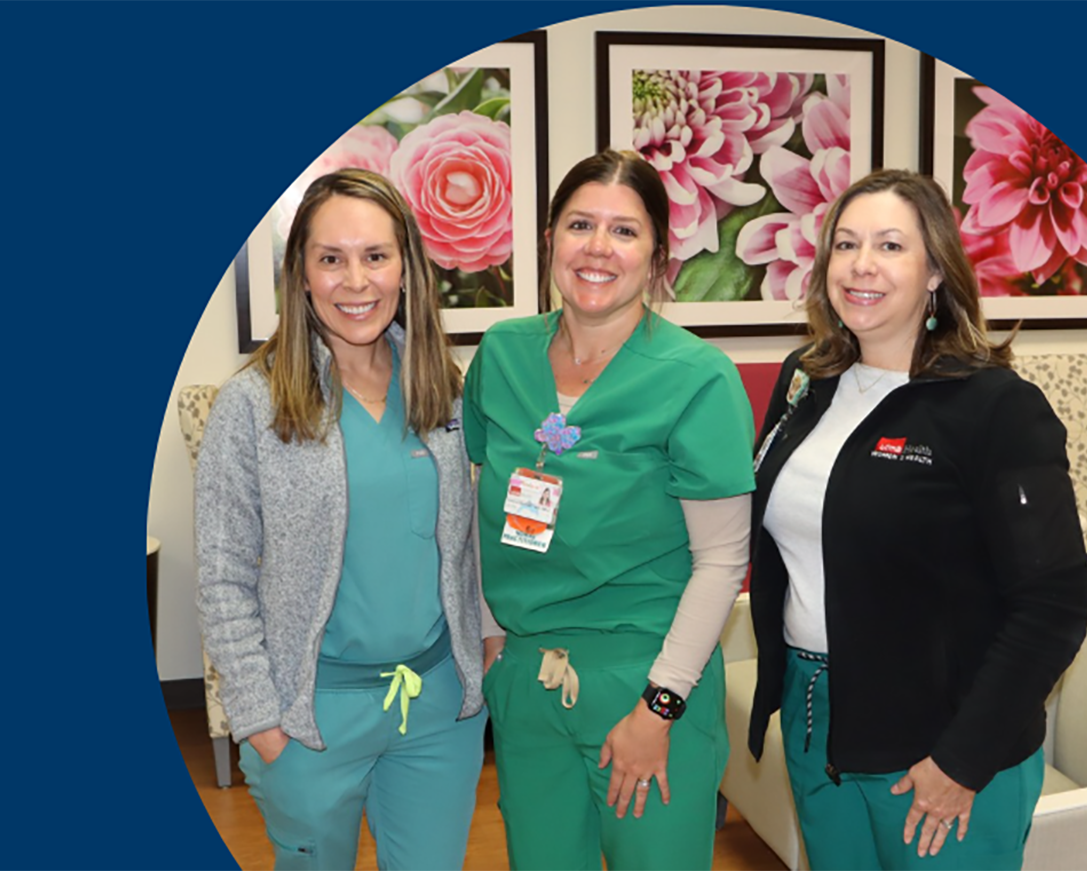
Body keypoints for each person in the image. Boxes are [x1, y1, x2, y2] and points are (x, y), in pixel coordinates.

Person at [747, 169, 1087, 870]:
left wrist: (963, 759)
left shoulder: (997, 407)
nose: (861, 265)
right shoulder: (804, 381)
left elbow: (1054, 602)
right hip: (817, 721)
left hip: (940, 745)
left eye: (890, 245)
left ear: (936, 268)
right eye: (845, 244)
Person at [462, 149, 755, 870]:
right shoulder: (501, 354)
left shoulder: (697, 377)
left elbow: (722, 560)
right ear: (550, 241)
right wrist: (495, 638)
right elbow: (478, 506)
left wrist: (660, 705)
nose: (598, 248)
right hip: (529, 681)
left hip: (649, 681)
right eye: (579, 224)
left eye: (624, 231)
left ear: (658, 253)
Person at [196, 168, 488, 870]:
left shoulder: (443, 388)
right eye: (331, 258)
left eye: (375, 256)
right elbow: (222, 572)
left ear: (406, 270)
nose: (355, 281)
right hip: (310, 717)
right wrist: (262, 719)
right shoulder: (252, 406)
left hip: (437, 708)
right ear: (301, 274)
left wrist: (489, 648)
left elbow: (469, 538)